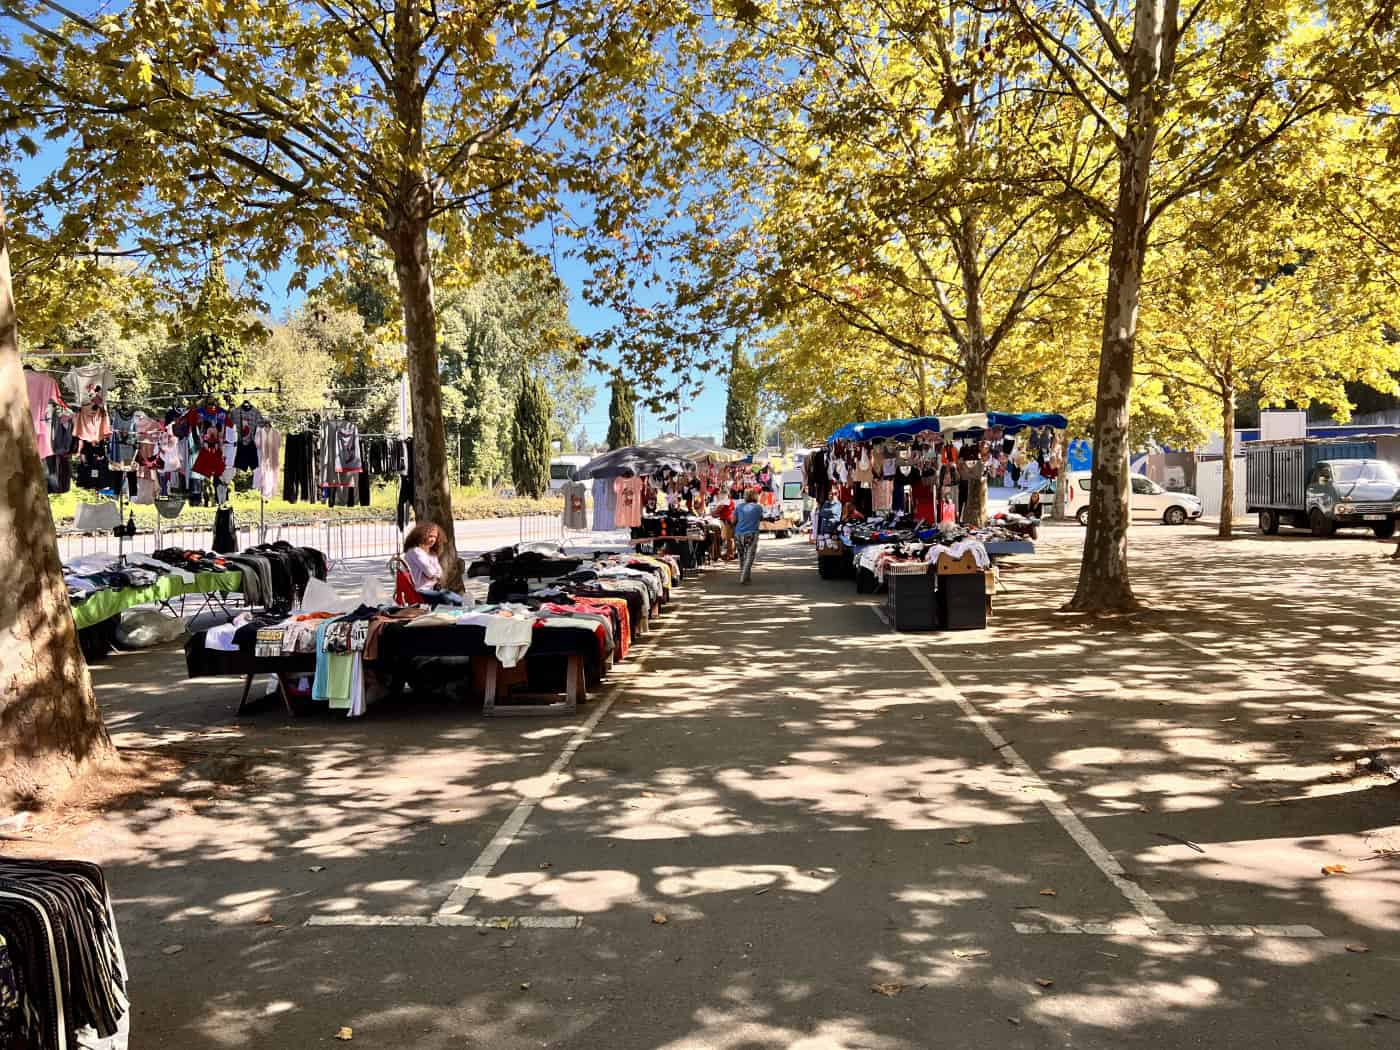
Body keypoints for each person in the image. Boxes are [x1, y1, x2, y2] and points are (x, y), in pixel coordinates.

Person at [401, 522, 467, 606]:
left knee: (458, 599)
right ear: (421, 536)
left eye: (435, 537)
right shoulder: (415, 552)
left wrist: (433, 575)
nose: (433, 540)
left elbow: (439, 573)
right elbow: (430, 573)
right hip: (419, 591)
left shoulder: (432, 553)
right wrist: (432, 575)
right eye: (430, 536)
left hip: (433, 588)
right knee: (446, 599)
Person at [733, 489, 764, 584]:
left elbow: (734, 520)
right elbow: (760, 518)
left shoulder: (739, 507)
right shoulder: (758, 507)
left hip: (738, 534)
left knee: (741, 556)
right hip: (752, 533)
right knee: (749, 556)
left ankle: (746, 576)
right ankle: (744, 577)